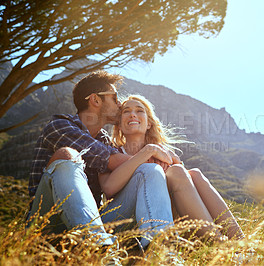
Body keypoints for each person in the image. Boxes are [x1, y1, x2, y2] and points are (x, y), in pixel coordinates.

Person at [27, 71, 174, 250]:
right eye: (114, 98)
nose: (120, 104)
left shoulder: (104, 139)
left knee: (150, 171)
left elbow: (127, 164)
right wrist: (151, 152)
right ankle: (99, 251)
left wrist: (155, 162)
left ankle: (159, 250)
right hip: (47, 223)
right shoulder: (60, 126)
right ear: (96, 100)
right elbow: (111, 160)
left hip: (94, 222)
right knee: (67, 155)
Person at [109, 95, 245, 240]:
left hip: (166, 215)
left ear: (149, 123)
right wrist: (147, 155)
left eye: (139, 110)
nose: (133, 114)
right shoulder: (112, 151)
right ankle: (218, 242)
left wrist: (170, 162)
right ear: (119, 124)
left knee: (194, 174)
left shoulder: (163, 153)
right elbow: (109, 189)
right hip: (128, 217)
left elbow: (183, 184)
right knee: (175, 171)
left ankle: (240, 241)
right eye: (126, 111)